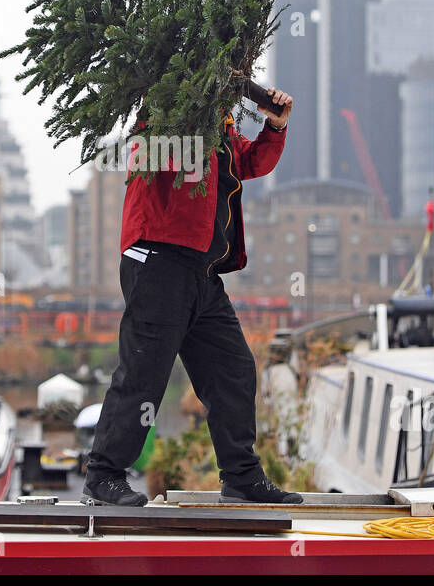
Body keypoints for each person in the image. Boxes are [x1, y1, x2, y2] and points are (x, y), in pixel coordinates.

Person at [83, 87, 303, 506]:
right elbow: (166, 158)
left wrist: (275, 124)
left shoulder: (220, 125)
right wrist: (203, 108)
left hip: (202, 269)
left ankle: (240, 478)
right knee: (144, 374)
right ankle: (103, 477)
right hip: (158, 259)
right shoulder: (163, 110)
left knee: (234, 369)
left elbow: (251, 162)